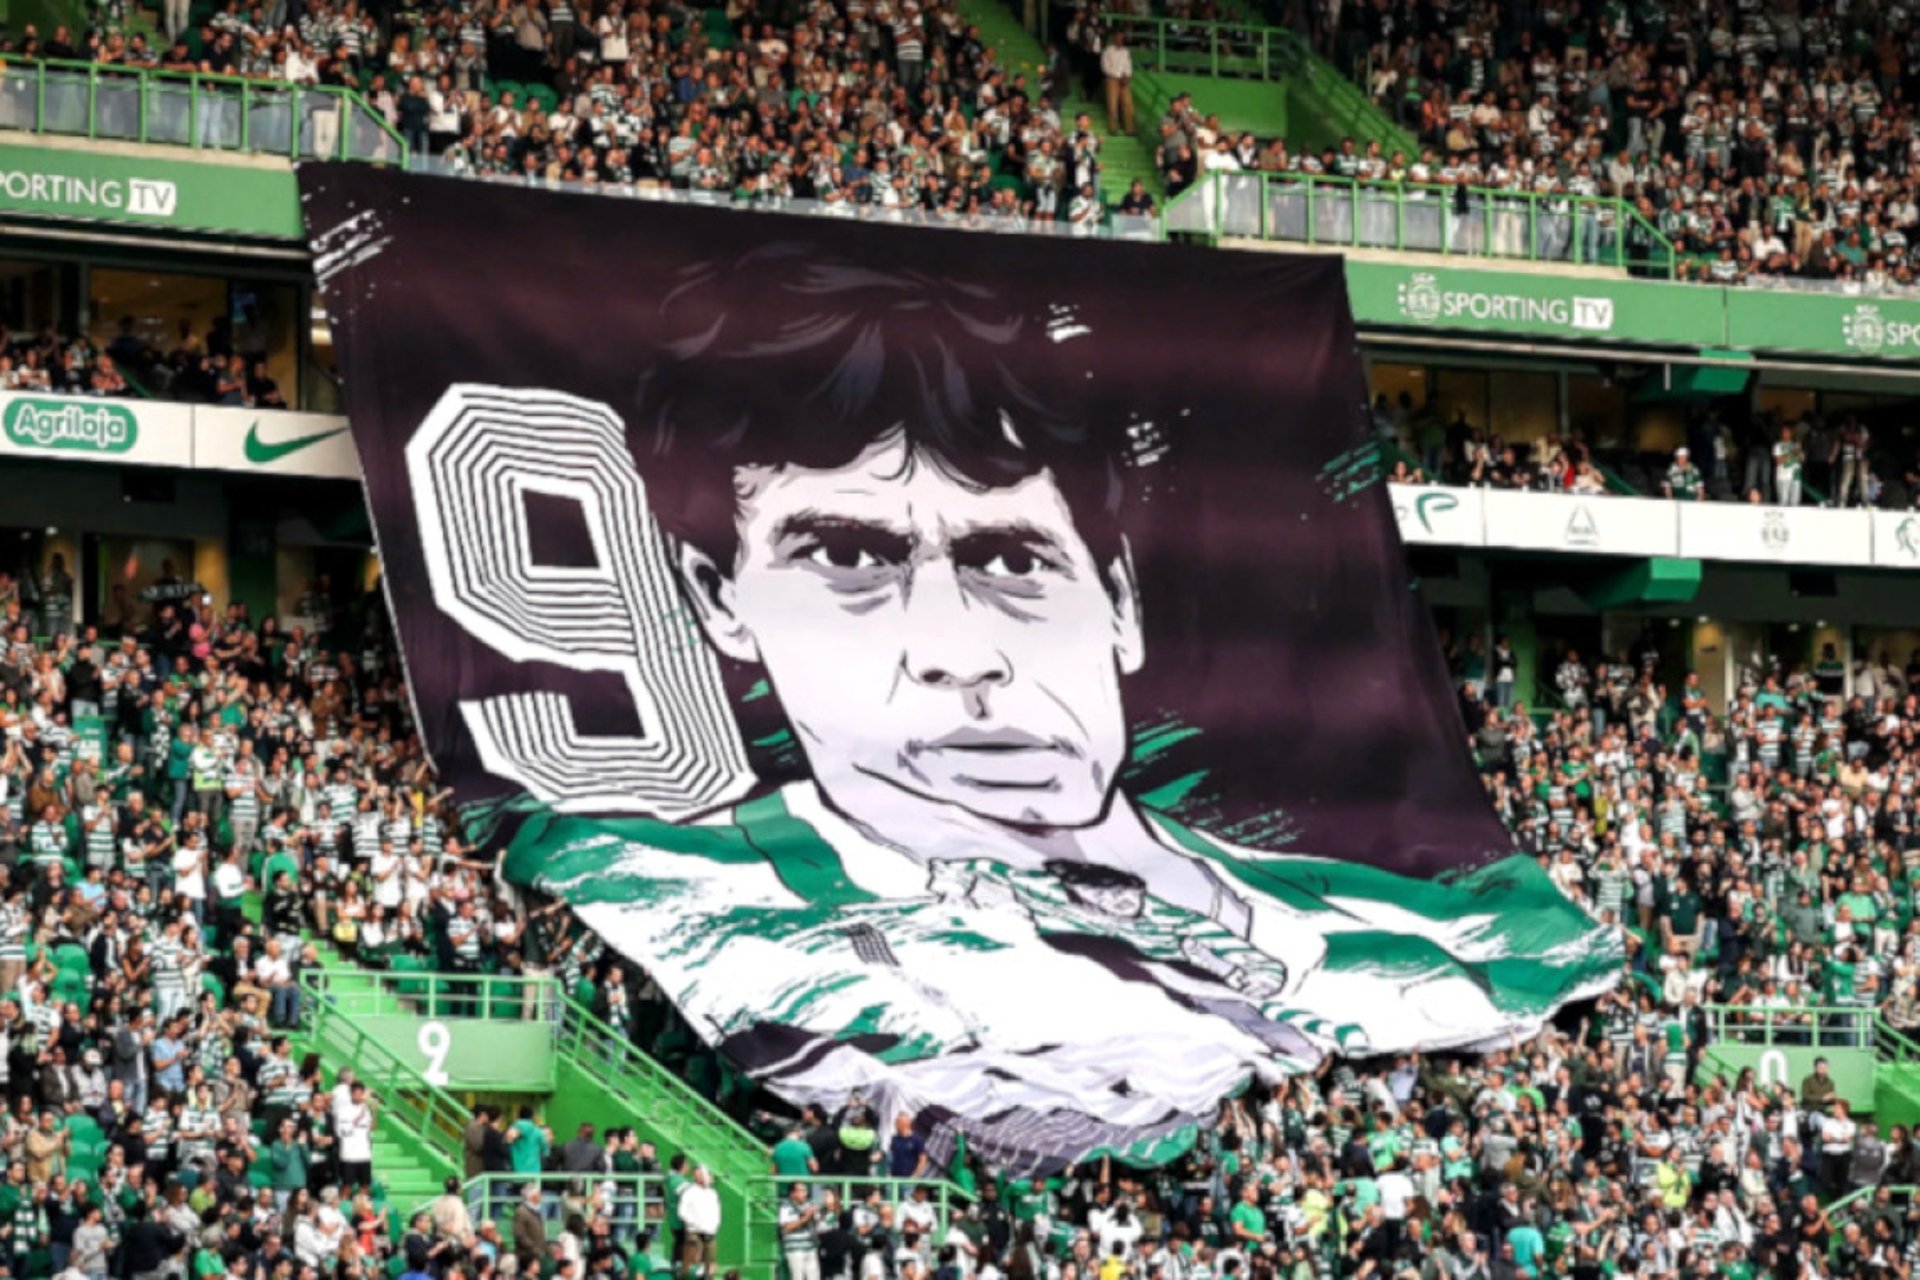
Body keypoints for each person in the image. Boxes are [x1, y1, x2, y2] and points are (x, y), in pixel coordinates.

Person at [504, 249, 1616, 1167]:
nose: (956, 652)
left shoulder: (1398, 929)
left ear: (1121, 601)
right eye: (848, 554)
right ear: (722, 602)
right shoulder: (693, 893)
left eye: (1011, 561)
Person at [676, 1166, 722, 1278]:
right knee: (691, 1261)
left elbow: (717, 1212)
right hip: (694, 1232)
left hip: (710, 1232)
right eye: (698, 1175)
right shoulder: (689, 1192)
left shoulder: (713, 1194)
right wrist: (693, 1223)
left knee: (710, 1262)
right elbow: (682, 1212)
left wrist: (714, 1226)